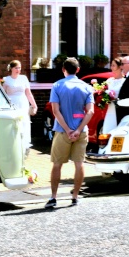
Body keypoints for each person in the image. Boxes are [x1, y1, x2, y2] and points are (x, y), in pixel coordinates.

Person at [46, 57, 94, 208]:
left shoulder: (57, 85)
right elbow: (90, 111)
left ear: (63, 69)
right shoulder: (87, 87)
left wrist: (67, 130)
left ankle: (54, 197)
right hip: (81, 132)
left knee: (57, 165)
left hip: (62, 132)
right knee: (79, 164)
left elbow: (55, 111)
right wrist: (78, 130)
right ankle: (75, 197)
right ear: (78, 70)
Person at [2, 60, 37, 151]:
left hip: (23, 102)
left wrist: (34, 105)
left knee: (24, 122)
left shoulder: (24, 78)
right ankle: (13, 143)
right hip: (11, 103)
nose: (18, 70)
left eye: (19, 68)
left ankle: (24, 143)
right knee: (13, 122)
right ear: (11, 69)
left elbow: (28, 93)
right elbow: (2, 94)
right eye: (16, 68)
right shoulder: (6, 80)